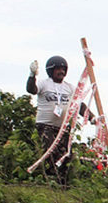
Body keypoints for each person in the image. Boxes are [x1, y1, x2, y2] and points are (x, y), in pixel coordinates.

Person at [25, 55, 83, 185]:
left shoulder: (69, 87)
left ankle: (62, 182)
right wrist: (32, 75)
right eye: (58, 69)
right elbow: (31, 89)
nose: (61, 72)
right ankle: (49, 180)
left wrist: (92, 118)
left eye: (63, 69)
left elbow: (79, 104)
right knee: (50, 152)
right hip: (46, 125)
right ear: (51, 70)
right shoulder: (44, 84)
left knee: (65, 155)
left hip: (62, 128)